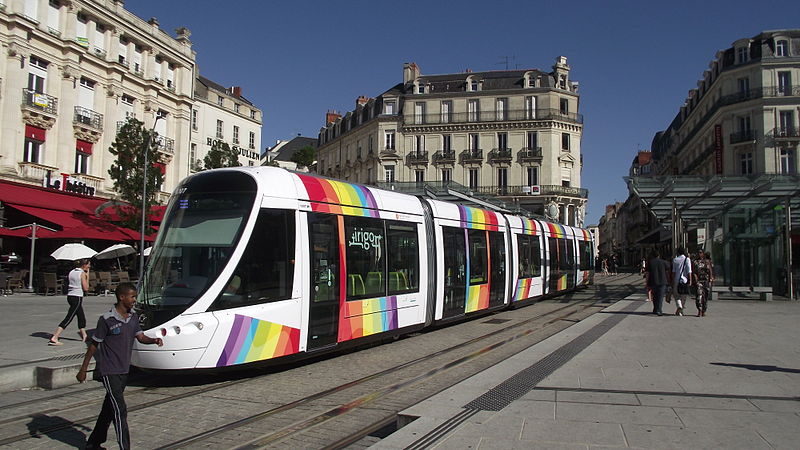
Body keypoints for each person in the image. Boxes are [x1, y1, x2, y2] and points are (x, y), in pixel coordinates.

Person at [77, 283, 164, 450]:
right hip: (110, 372)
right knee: (120, 410)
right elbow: (94, 345)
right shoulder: (106, 320)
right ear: (121, 297)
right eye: (132, 297)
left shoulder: (133, 318)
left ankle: (94, 443)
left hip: (125, 370)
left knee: (109, 408)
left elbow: (140, 337)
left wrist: (154, 340)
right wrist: (83, 370)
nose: (134, 300)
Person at [49, 259, 90, 345]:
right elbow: (86, 288)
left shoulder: (71, 272)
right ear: (84, 265)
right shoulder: (82, 273)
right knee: (69, 317)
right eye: (88, 265)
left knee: (80, 315)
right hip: (77, 296)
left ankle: (84, 335)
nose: (89, 266)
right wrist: (87, 275)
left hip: (70, 296)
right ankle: (55, 336)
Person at [646, 250, 671, 316]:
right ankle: (659, 310)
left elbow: (647, 273)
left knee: (654, 296)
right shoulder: (664, 262)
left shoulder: (650, 262)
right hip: (663, 282)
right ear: (658, 255)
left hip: (653, 282)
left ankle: (655, 309)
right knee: (660, 297)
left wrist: (647, 283)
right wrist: (669, 280)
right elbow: (668, 271)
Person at [692, 250, 715, 317]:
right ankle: (699, 310)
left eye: (701, 253)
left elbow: (710, 270)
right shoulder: (695, 262)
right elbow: (694, 271)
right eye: (698, 253)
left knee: (706, 295)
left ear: (703, 254)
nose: (699, 254)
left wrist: (711, 278)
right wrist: (695, 279)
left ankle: (704, 310)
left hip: (706, 280)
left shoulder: (707, 262)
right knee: (699, 295)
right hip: (699, 281)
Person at [671, 247, 692, 316]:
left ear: (678, 252)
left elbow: (673, 272)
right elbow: (689, 271)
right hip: (685, 280)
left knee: (676, 295)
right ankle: (681, 309)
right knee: (684, 296)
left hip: (677, 280)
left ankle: (679, 307)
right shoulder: (687, 259)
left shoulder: (675, 260)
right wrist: (690, 280)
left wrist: (672, 281)